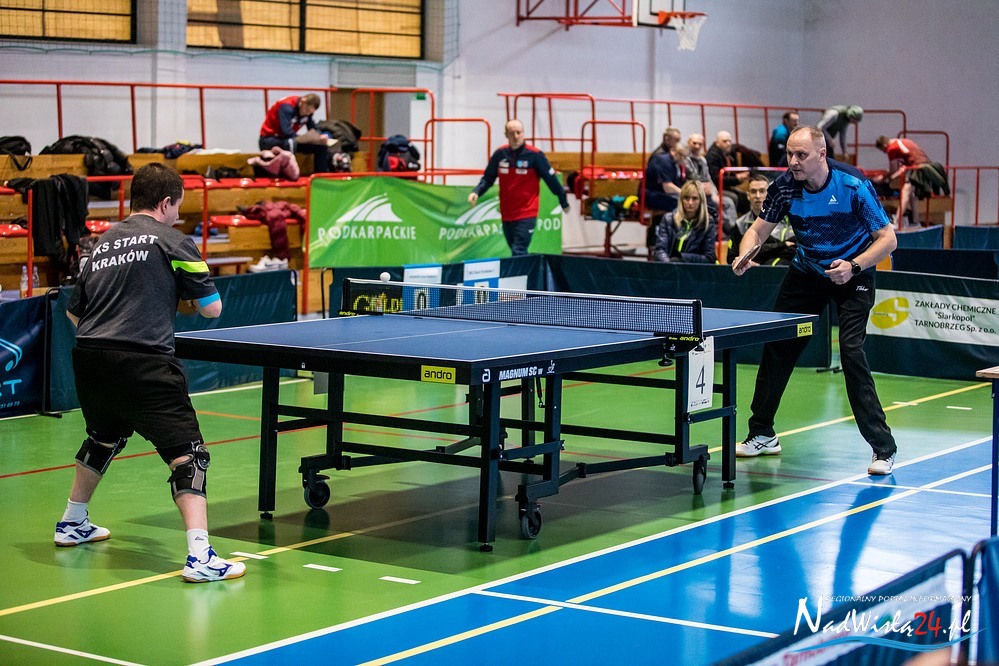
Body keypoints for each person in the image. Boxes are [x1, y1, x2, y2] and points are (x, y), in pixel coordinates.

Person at [56, 163, 246, 583]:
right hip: (144, 361)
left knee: (103, 437)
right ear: (164, 202)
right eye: (177, 206)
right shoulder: (174, 241)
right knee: (189, 456)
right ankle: (201, 557)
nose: (177, 215)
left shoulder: (101, 243)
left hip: (90, 357)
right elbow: (212, 308)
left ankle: (72, 521)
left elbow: (73, 313)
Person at [731, 126, 898, 475]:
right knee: (778, 346)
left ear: (821, 154)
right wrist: (746, 252)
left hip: (854, 273)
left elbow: (887, 239)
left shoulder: (852, 185)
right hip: (807, 272)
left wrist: (853, 266)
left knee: (851, 352)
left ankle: (883, 448)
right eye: (789, 154)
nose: (793, 161)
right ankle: (762, 433)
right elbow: (759, 229)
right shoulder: (784, 187)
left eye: (801, 155)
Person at [468, 119, 570, 256]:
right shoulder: (500, 154)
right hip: (507, 213)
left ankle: (527, 270)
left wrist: (563, 201)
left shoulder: (535, 155)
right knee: (514, 250)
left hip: (527, 213)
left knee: (519, 250)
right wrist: (476, 192)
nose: (516, 136)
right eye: (512, 133)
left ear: (523, 133)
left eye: (518, 132)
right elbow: (488, 177)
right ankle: (530, 269)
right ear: (506, 135)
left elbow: (552, 181)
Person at [874, 135, 950, 227]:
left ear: (884, 146)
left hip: (918, 168)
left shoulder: (891, 149)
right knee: (912, 196)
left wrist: (882, 178)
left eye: (883, 150)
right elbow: (901, 169)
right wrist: (890, 178)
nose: (885, 152)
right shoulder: (903, 141)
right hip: (925, 166)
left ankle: (896, 222)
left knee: (905, 193)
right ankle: (916, 222)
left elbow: (892, 170)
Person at [729, 173, 796, 266]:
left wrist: (760, 255)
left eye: (762, 191)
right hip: (751, 271)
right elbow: (732, 257)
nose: (757, 195)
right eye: (753, 191)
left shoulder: (788, 220)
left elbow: (794, 250)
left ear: (769, 194)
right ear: (748, 195)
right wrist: (782, 245)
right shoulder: (740, 224)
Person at [259, 93, 330, 174]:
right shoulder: (286, 107)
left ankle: (321, 175)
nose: (307, 114)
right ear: (302, 102)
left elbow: (312, 128)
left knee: (320, 145)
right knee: (291, 143)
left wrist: (320, 136)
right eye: (307, 110)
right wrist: (303, 138)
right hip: (269, 139)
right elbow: (286, 131)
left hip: (288, 140)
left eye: (310, 112)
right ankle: (290, 174)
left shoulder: (308, 112)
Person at [641, 127, 685, 255]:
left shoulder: (670, 158)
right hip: (651, 194)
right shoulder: (661, 157)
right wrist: (685, 193)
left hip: (660, 193)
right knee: (680, 203)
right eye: (676, 139)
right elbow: (667, 186)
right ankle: (666, 239)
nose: (678, 142)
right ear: (667, 139)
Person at [652, 180, 717, 263]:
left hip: (692, 269)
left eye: (694, 198)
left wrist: (682, 259)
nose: (690, 202)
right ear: (681, 200)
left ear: (701, 200)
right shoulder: (668, 219)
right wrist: (670, 265)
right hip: (669, 267)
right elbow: (660, 250)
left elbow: (709, 257)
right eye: (686, 198)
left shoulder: (708, 222)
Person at [705, 131, 750, 215]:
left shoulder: (727, 154)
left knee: (746, 197)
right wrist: (736, 178)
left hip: (725, 187)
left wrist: (739, 177)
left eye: (729, 141)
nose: (728, 144)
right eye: (725, 141)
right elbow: (716, 178)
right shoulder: (712, 156)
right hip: (716, 188)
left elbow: (730, 174)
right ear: (717, 142)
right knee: (735, 198)